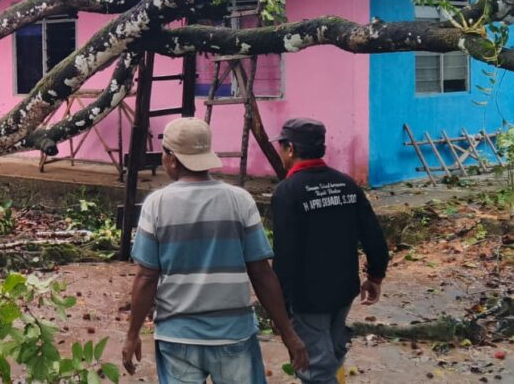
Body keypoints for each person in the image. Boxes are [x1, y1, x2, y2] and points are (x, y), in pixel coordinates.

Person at [122, 118, 308, 382]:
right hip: (233, 335)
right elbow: (261, 273)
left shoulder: (156, 205)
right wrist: (288, 334)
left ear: (172, 159)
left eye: (164, 152)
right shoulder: (239, 200)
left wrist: (132, 336)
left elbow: (146, 277)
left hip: (177, 337)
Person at [271, 118, 389, 384]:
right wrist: (375, 277)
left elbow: (285, 257)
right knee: (332, 354)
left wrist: (281, 308)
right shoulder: (346, 184)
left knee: (316, 368)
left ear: (290, 148)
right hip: (343, 291)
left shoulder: (288, 192)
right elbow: (374, 237)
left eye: (281, 146)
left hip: (308, 298)